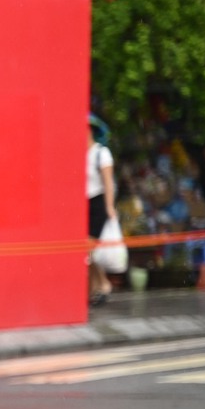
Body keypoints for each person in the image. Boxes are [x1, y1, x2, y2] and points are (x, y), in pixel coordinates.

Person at [88, 115, 118, 307]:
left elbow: (108, 183)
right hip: (84, 204)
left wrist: (109, 207)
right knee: (86, 253)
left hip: (98, 203)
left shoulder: (102, 153)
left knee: (87, 250)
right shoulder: (81, 154)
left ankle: (102, 284)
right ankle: (97, 287)